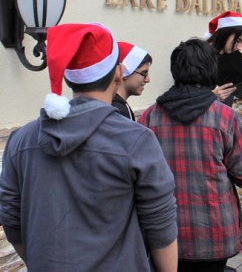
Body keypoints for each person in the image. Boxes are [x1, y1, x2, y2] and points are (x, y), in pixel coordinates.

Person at [0, 23, 178, 271]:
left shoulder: (21, 140)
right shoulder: (137, 140)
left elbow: (11, 217)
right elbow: (161, 225)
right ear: (119, 73)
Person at [138, 38, 242, 272]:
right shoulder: (225, 118)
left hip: (164, 235)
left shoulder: (149, 118)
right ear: (210, 70)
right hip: (214, 234)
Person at [206, 11, 242, 105]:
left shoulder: (232, 56)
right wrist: (212, 95)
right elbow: (187, 95)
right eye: (238, 41)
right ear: (226, 33)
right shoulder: (201, 56)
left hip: (224, 115)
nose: (239, 47)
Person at [112, 41, 153, 120]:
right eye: (144, 73)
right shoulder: (119, 110)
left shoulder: (115, 105)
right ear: (124, 72)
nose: (148, 80)